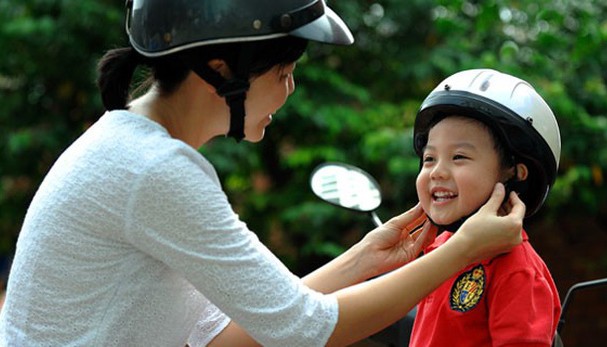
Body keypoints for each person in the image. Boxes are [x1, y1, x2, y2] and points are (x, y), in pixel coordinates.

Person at [0, 2, 526, 346]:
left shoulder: (127, 148)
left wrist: (367, 258)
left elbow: (238, 332)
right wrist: (462, 252)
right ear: (223, 71)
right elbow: (305, 330)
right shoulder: (155, 171)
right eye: (284, 72)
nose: (290, 89)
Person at [408, 68, 562, 346]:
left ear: (514, 174)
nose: (436, 172)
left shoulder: (517, 270)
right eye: (429, 158)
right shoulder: (438, 247)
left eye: (459, 157)